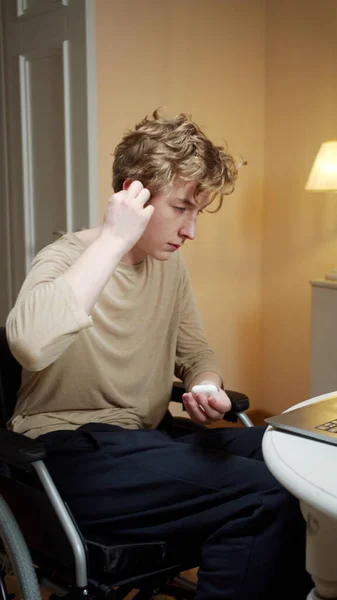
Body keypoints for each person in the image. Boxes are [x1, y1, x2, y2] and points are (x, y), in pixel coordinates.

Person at [6, 111, 311, 600]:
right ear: (135, 197)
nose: (190, 231)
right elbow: (30, 343)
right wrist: (113, 238)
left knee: (301, 460)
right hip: (67, 454)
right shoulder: (66, 259)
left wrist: (204, 385)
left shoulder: (170, 269)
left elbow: (198, 354)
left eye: (197, 214)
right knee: (266, 491)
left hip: (147, 442)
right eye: (181, 209)